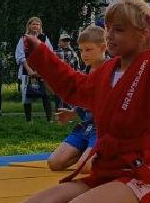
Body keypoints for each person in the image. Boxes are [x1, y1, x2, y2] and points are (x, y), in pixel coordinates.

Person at [17, 0, 150, 203]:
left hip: (137, 175)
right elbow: (73, 87)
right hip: (104, 171)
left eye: (118, 30)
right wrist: (40, 55)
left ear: (144, 34)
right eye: (108, 28)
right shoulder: (107, 72)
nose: (109, 35)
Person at [45, 25, 108, 172]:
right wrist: (73, 112)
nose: (84, 55)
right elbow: (83, 98)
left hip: (103, 129)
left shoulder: (113, 70)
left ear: (103, 47)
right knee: (54, 163)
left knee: (85, 167)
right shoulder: (84, 72)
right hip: (86, 127)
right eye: (81, 50)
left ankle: (104, 154)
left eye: (88, 50)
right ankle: (87, 152)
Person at [16, 17, 54, 122]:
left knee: (45, 94)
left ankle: (49, 119)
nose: (36, 26)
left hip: (41, 70)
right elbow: (20, 56)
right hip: (27, 69)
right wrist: (29, 70)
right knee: (27, 95)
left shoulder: (44, 38)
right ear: (29, 25)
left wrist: (39, 70)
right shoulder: (23, 38)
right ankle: (29, 120)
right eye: (33, 24)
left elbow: (49, 54)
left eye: (38, 24)